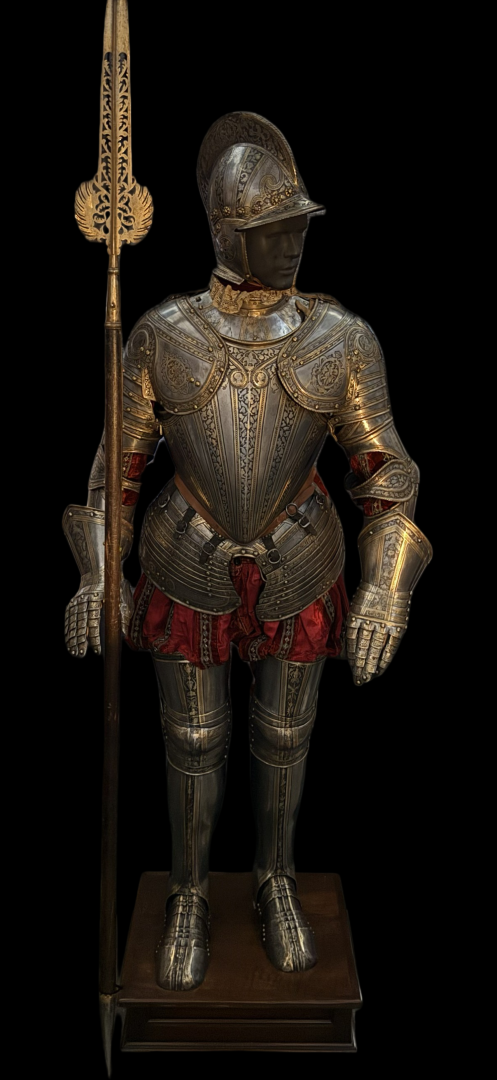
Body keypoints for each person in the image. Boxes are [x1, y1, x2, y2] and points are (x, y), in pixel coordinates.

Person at [63, 112, 431, 992]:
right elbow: (115, 473)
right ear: (227, 232)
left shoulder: (340, 338)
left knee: (285, 734)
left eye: (298, 225)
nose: (292, 241)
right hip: (185, 556)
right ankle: (188, 893)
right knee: (192, 740)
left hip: (300, 555)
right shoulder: (163, 334)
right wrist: (97, 574)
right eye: (274, 228)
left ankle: (274, 879)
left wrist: (386, 588)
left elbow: (386, 471)